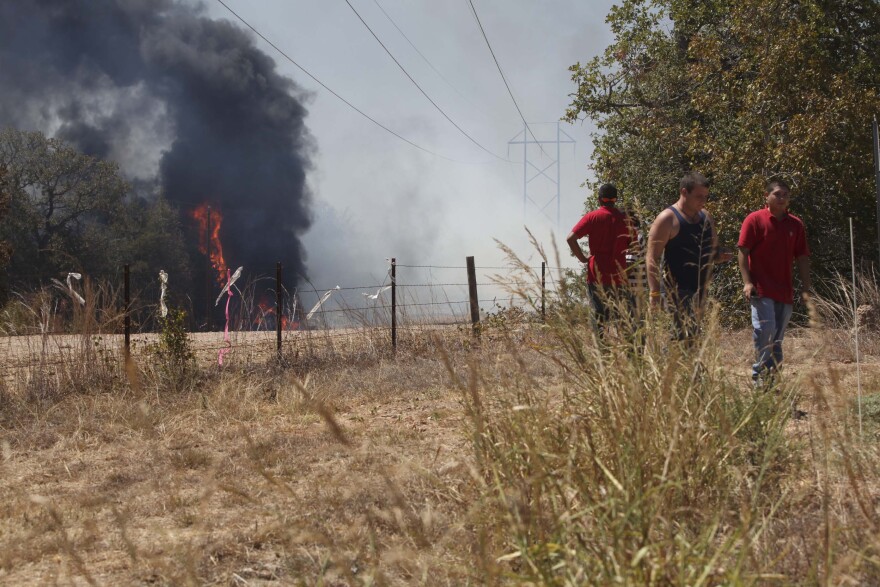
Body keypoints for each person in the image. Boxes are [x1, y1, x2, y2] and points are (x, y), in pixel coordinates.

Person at [737, 178, 810, 386]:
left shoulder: (795, 224)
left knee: (777, 338)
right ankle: (759, 376)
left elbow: (802, 256)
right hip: (761, 288)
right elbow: (743, 250)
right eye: (777, 194)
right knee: (765, 331)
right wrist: (747, 282)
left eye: (785, 195)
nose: (782, 198)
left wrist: (806, 287)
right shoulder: (754, 219)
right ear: (766, 197)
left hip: (784, 289)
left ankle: (773, 378)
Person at [646, 172, 727, 339]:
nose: (703, 201)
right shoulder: (667, 219)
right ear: (684, 192)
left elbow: (713, 251)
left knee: (694, 339)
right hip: (674, 292)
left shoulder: (706, 218)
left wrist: (720, 255)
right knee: (677, 339)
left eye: (705, 196)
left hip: (700, 291)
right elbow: (652, 257)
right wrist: (654, 293)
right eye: (698, 196)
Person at [566, 183, 636, 332]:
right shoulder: (626, 220)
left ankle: (602, 351)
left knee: (599, 316)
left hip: (596, 274)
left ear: (599, 199)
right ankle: (624, 349)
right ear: (615, 199)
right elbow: (634, 246)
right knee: (622, 318)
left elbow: (570, 238)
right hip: (619, 276)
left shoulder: (592, 217)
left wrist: (583, 258)